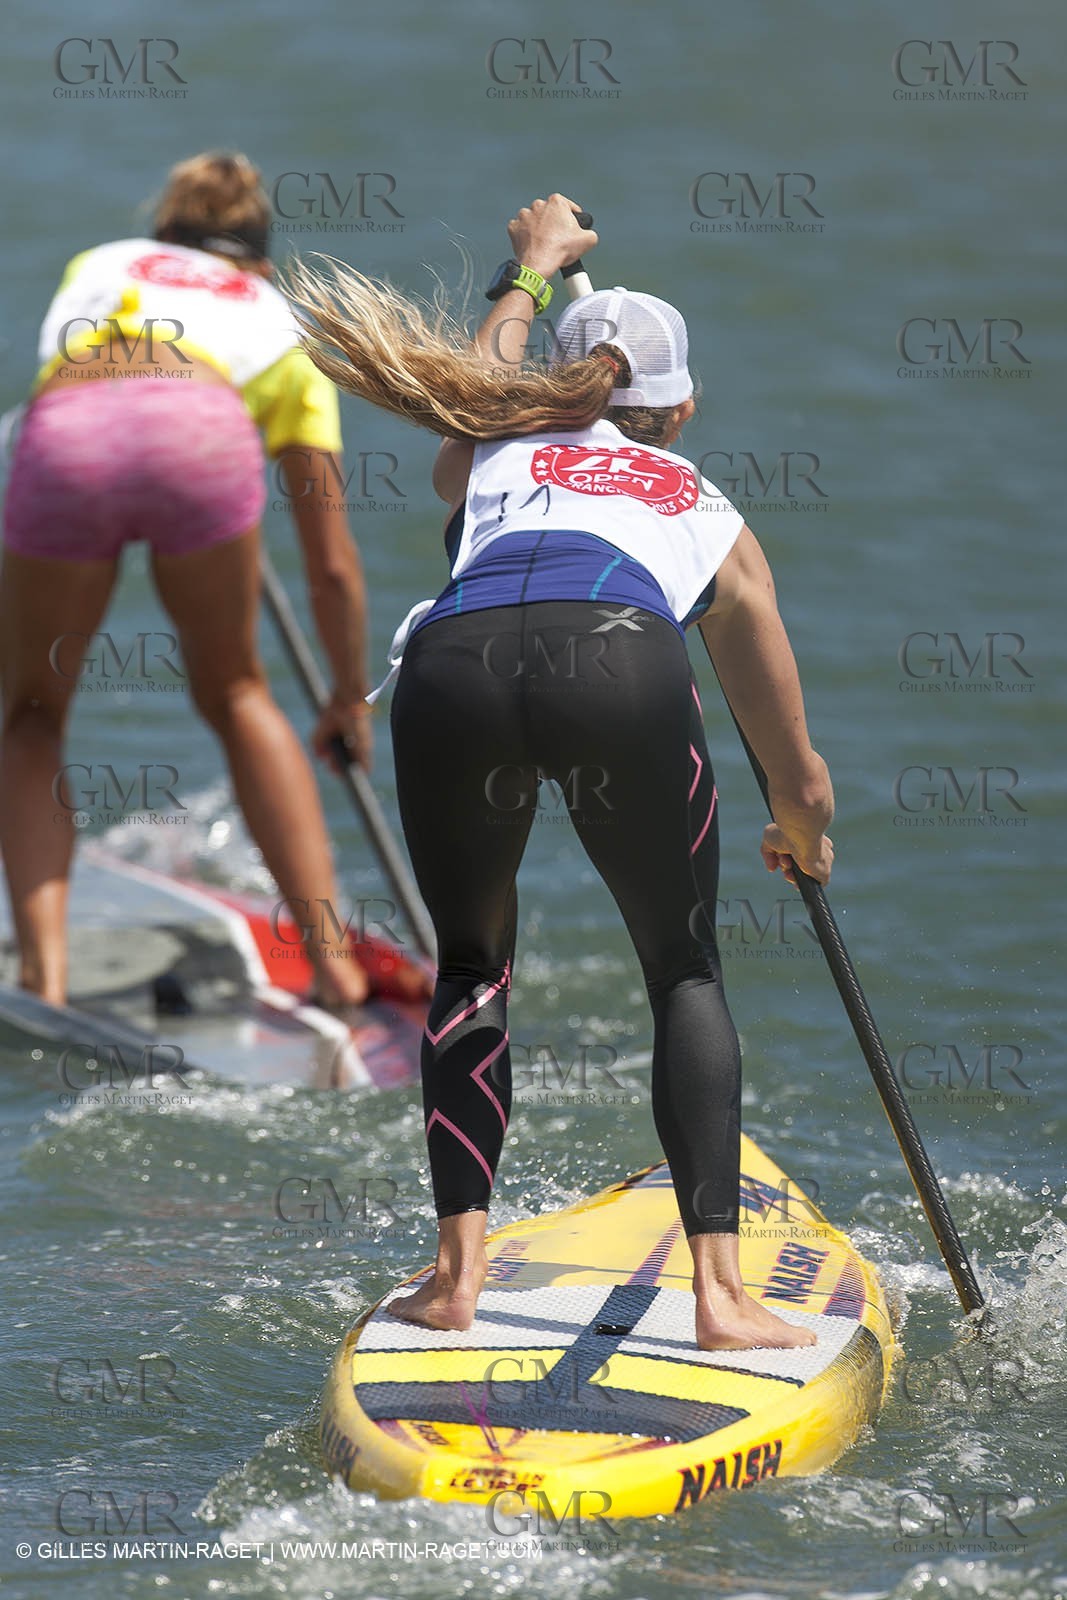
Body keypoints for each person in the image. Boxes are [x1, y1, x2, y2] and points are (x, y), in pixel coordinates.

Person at [289, 194, 835, 1351]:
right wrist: (801, 826)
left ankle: (454, 1281)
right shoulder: (706, 506)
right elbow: (788, 747)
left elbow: (467, 389)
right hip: (615, 663)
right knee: (682, 970)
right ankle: (722, 1298)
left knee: (473, 965)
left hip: (455, 666)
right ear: (678, 410)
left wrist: (528, 271)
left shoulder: (493, 443)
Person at [1, 151, 375, 1009]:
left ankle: (44, 979)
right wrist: (347, 696)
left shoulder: (100, 263)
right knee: (239, 692)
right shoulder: (284, 319)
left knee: (30, 713)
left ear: (161, 234)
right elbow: (330, 564)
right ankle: (334, 968)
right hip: (203, 438)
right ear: (262, 262)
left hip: (71, 435)